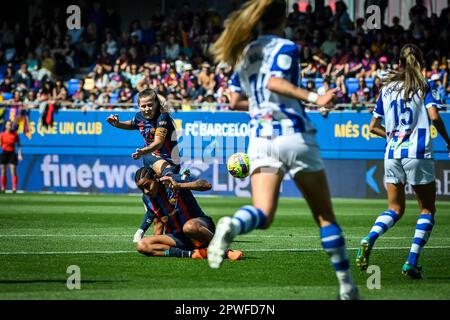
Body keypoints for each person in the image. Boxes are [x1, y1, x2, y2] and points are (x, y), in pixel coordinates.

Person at [207, 0, 359, 300]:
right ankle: (347, 288)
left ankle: (233, 223)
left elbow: (235, 101)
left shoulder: (245, 52)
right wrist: (316, 97)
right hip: (293, 135)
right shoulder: (286, 47)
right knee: (325, 218)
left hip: (260, 139)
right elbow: (276, 83)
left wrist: (269, 105)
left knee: (263, 213)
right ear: (284, 18)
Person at [356, 44, 450, 279]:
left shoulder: (386, 90)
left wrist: (393, 134)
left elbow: (372, 127)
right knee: (427, 209)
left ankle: (370, 238)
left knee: (394, 209)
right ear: (420, 62)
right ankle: (411, 262)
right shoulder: (422, 85)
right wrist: (448, 139)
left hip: (392, 154)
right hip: (417, 153)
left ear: (399, 63)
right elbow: (434, 116)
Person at [134, 166, 243, 261]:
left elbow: (206, 185)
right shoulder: (147, 199)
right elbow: (157, 222)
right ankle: (193, 254)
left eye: (147, 186)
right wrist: (155, 243)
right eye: (141, 189)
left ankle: (226, 251)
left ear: (155, 178)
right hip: (177, 237)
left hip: (199, 228)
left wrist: (179, 186)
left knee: (189, 227)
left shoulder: (175, 179)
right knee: (142, 245)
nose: (146, 191)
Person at [106, 88, 180, 177]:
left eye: (150, 105)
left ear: (156, 103)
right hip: (152, 157)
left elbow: (158, 143)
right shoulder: (139, 116)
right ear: (138, 106)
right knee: (146, 182)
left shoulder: (162, 117)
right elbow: (132, 124)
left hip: (171, 161)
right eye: (143, 106)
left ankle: (175, 180)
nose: (147, 109)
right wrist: (117, 124)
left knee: (172, 185)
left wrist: (142, 151)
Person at [1, 121, 22, 193]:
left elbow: (19, 144)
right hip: (4, 153)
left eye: (10, 125)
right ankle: (3, 187)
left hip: (12, 153)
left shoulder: (15, 134)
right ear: (5, 126)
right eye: (8, 125)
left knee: (13, 170)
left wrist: (19, 154)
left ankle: (14, 188)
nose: (9, 126)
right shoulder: (2, 134)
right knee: (3, 171)